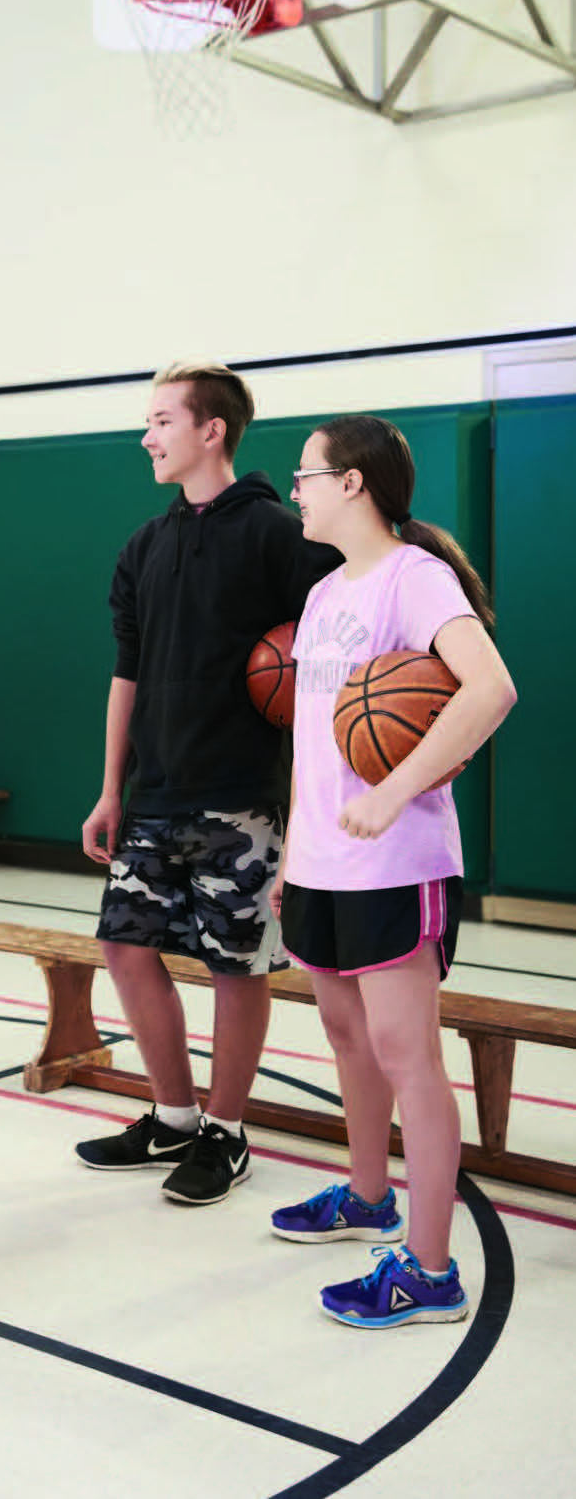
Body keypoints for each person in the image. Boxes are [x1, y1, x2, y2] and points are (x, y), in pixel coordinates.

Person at [268, 414, 515, 1327]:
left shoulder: (416, 578)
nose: (295, 488)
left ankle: (429, 1269)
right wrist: (295, 854)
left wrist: (395, 788)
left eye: (305, 475)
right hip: (324, 861)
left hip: (396, 860)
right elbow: (310, 742)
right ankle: (367, 1195)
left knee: (409, 1055)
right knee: (345, 1037)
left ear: (352, 484)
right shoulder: (327, 592)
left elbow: (490, 688)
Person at [78, 362, 338, 1205]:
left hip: (241, 794)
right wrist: (109, 787)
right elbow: (126, 672)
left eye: (160, 421)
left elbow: (324, 663)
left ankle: (226, 1132)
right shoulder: (143, 546)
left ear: (210, 430)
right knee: (123, 946)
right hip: (152, 791)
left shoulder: (275, 532)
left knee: (236, 966)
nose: (146, 437)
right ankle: (175, 1116)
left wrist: (306, 809)